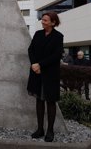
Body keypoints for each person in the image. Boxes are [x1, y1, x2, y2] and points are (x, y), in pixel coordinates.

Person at [27, 12, 63, 142]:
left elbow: (56, 55)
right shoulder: (37, 34)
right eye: (42, 20)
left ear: (53, 22)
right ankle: (40, 129)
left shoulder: (58, 37)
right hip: (37, 73)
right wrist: (34, 64)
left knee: (51, 102)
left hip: (50, 74)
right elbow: (30, 50)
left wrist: (40, 64)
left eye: (45, 20)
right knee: (39, 101)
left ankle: (50, 131)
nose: (42, 22)